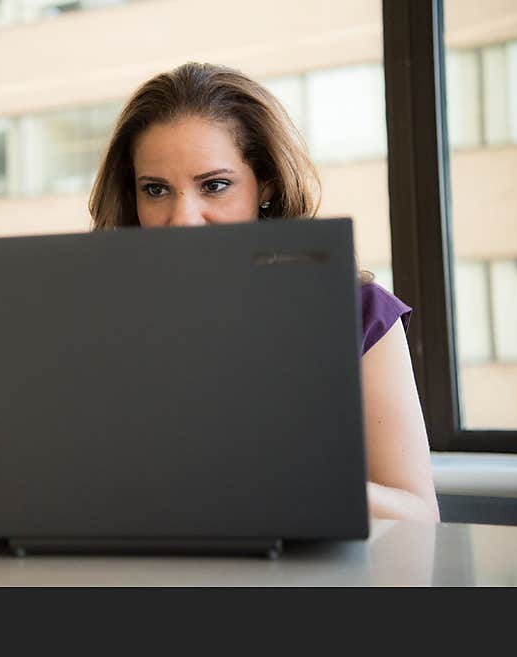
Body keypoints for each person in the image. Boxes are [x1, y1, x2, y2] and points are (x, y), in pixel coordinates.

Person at [89, 62, 440, 523]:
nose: (184, 218)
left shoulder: (359, 313)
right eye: (156, 190)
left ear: (267, 186)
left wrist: (284, 478)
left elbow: (417, 513)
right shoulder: (97, 317)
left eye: (214, 186)